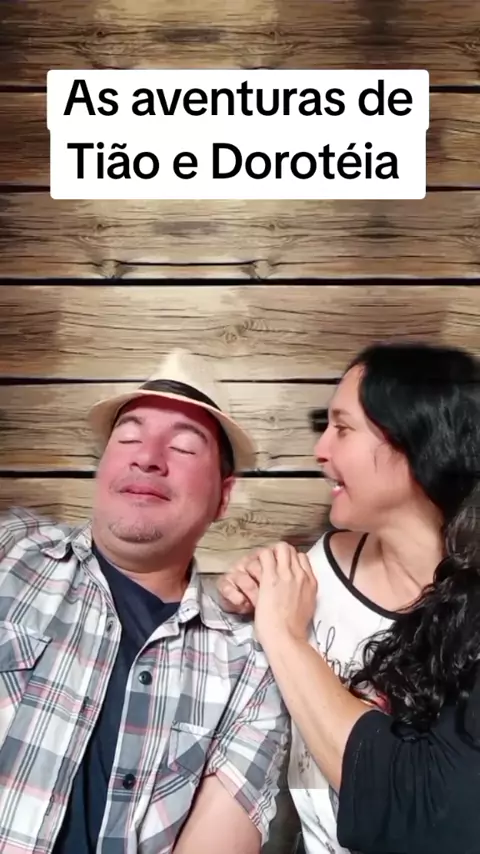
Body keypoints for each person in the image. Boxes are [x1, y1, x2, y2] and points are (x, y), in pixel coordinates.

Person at [0, 348, 289, 854]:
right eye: (128, 437)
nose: (147, 456)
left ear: (223, 497)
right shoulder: (10, 550)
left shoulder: (249, 667)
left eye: (183, 447)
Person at [218, 340, 480, 854]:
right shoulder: (320, 567)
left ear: (416, 442)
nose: (320, 450)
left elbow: (436, 813)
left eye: (343, 428)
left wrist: (284, 636)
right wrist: (252, 594)